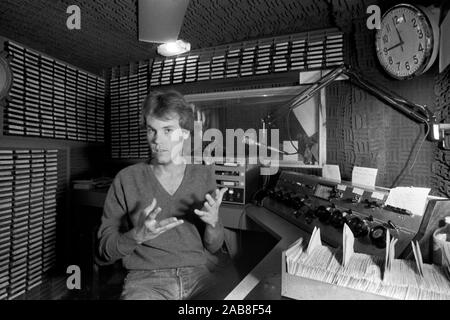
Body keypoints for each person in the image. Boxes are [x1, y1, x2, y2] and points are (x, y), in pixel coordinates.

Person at [97, 90, 228, 300]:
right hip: (145, 281)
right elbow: (103, 251)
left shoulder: (203, 176)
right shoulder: (126, 179)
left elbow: (214, 246)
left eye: (167, 130)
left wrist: (213, 223)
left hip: (198, 276)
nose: (157, 140)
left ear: (185, 133)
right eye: (152, 130)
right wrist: (137, 235)